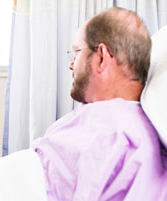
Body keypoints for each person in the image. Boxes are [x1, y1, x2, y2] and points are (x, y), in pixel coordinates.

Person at [31, 7, 167, 200]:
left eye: (77, 52)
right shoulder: (114, 121)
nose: (71, 64)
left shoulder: (121, 135)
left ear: (102, 57)